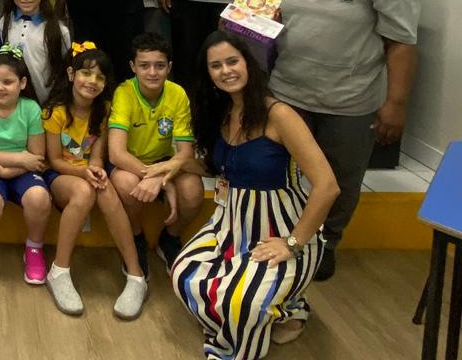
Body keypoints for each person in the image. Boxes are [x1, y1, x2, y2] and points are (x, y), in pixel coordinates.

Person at [148, 31, 340, 359]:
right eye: (216, 65)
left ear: (248, 63)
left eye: (232, 61)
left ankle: (273, 318)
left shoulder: (279, 114)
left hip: (284, 230)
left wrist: (292, 244)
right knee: (183, 273)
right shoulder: (221, 113)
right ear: (208, 74)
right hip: (231, 226)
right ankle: (276, 309)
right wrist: (171, 166)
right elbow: (217, 168)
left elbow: (327, 186)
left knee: (242, 300)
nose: (226, 70)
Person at [261, 0, 419, 281]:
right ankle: (277, 236)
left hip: (348, 101)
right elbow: (259, 6)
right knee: (276, 170)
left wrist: (395, 104)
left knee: (341, 176)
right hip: (286, 94)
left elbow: (401, 44)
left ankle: (326, 243)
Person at [42, 43, 147, 319]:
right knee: (85, 190)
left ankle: (136, 275)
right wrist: (84, 173)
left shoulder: (105, 110)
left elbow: (98, 156)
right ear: (70, 74)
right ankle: (59, 270)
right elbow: (54, 160)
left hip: (89, 173)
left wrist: (97, 169)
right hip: (62, 175)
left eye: (100, 77)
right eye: (86, 74)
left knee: (105, 189)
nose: (92, 81)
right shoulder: (54, 112)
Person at [108, 32, 203, 273]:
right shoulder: (124, 92)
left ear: (169, 67)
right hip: (131, 160)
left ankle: (169, 238)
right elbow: (116, 154)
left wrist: (161, 176)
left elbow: (184, 154)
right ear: (133, 67)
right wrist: (155, 177)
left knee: (193, 191)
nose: (152, 72)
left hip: (163, 161)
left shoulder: (177, 93)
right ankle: (136, 237)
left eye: (160, 66)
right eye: (144, 66)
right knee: (125, 183)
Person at [0, 47, 51, 285]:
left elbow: (37, 157)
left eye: (8, 82)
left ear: (22, 83)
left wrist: (8, 169)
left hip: (19, 172)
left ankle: (34, 250)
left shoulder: (31, 109)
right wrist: (19, 158)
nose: (0, 87)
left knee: (39, 198)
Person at [0, 0, 69, 104]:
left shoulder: (60, 30)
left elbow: (63, 70)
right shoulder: (4, 22)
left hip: (47, 102)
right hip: (14, 103)